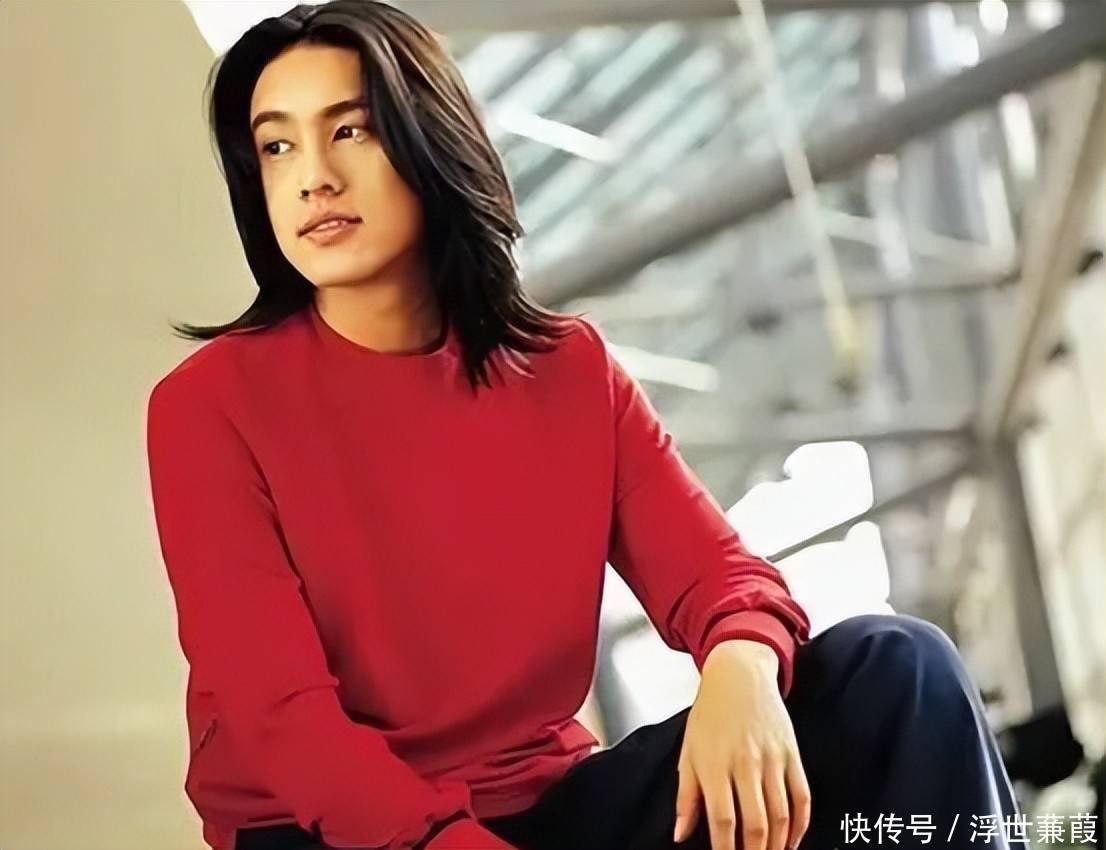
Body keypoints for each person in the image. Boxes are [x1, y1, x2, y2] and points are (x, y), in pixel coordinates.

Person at [144, 3, 1022, 849]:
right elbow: (281, 721)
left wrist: (741, 663)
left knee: (897, 669)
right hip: (332, 831)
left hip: (551, 806)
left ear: (429, 137)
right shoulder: (209, 405)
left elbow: (716, 575)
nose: (313, 176)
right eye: (277, 145)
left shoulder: (568, 372)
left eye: (350, 130)